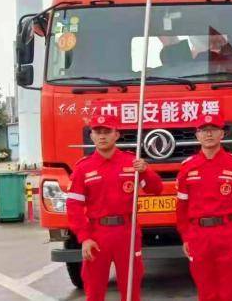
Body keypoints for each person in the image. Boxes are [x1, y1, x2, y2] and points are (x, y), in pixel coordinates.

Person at [66, 114, 163, 301]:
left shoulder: (132, 163)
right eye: (97, 132)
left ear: (116, 135)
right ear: (92, 136)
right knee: (94, 290)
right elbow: (74, 206)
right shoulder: (83, 168)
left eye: (107, 132)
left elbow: (156, 189)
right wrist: (84, 238)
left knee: (131, 288)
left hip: (127, 233)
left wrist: (146, 171)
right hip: (97, 234)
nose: (102, 136)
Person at [176, 114, 232, 301]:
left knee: (228, 292)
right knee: (205, 292)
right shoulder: (187, 168)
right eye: (203, 130)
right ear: (197, 135)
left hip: (227, 233)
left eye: (213, 130)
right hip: (198, 235)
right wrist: (186, 236)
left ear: (222, 134)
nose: (208, 134)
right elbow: (181, 209)